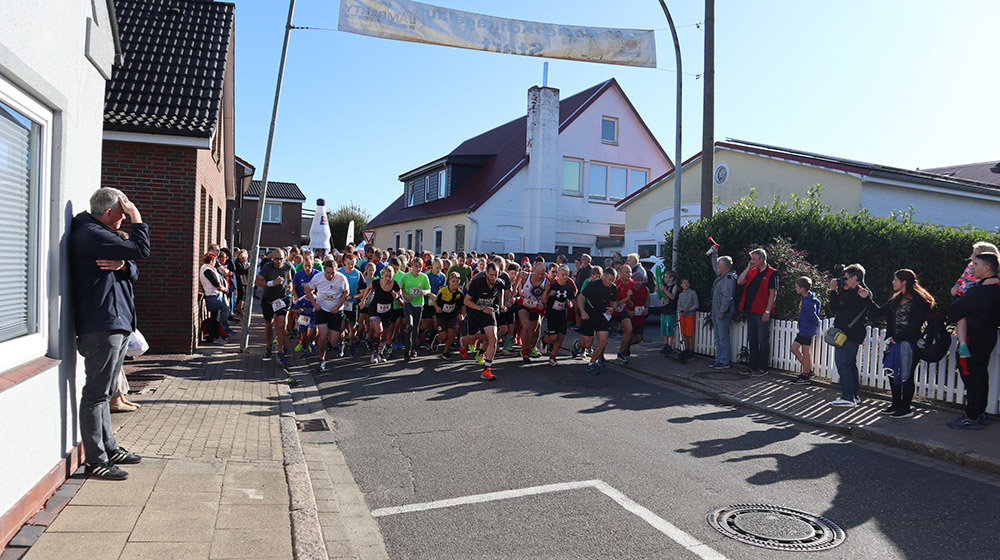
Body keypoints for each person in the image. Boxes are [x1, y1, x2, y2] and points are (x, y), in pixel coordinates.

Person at [70, 187, 150, 480]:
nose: (125, 217)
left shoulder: (103, 233)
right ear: (108, 212)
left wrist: (123, 264)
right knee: (95, 394)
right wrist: (137, 217)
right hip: (101, 326)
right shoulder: (92, 233)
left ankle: (110, 448)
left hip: (115, 323)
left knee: (104, 394)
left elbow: (135, 268)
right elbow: (142, 250)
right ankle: (96, 460)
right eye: (122, 212)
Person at [867, 269, 934, 417]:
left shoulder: (920, 301)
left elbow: (916, 324)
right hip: (895, 342)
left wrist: (898, 337)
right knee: (893, 373)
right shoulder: (896, 299)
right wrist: (866, 298)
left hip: (910, 344)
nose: (893, 282)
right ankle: (895, 404)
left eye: (895, 280)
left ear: (904, 282)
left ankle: (906, 408)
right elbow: (878, 311)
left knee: (907, 375)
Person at [947, 253, 1000, 429]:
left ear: (987, 268)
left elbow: (954, 311)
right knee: (980, 375)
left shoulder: (980, 290)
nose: (972, 268)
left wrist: (958, 297)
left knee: (971, 377)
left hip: (972, 338)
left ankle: (972, 416)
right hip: (988, 336)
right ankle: (980, 413)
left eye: (976, 264)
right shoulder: (995, 288)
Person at [828, 264, 876, 407]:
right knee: (850, 365)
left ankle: (848, 397)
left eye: (846, 277)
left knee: (843, 365)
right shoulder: (860, 291)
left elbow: (835, 305)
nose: (844, 280)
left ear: (855, 277)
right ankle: (854, 395)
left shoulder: (858, 293)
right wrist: (843, 289)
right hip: (853, 332)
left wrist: (833, 290)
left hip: (848, 334)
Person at [951, 242, 999, 359]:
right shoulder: (970, 266)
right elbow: (962, 278)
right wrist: (956, 286)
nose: (972, 257)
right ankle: (962, 343)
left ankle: (963, 344)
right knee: (960, 316)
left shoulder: (991, 281)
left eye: (975, 255)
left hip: (972, 302)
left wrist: (997, 281)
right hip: (963, 294)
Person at [461, 262, 508, 380]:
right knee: (471, 338)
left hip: (488, 312)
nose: (493, 278)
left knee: (493, 338)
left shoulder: (499, 282)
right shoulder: (477, 283)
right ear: (486, 273)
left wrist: (501, 304)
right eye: (491, 275)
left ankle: (487, 370)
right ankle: (463, 341)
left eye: (496, 275)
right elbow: (466, 301)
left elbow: (501, 291)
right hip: (475, 312)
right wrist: (481, 308)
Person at [737, 248, 778, 375]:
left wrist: (767, 311)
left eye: (754, 259)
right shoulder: (753, 271)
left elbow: (773, 294)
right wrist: (748, 268)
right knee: (752, 339)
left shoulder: (772, 273)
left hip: (761, 311)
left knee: (762, 339)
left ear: (762, 259)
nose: (752, 261)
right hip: (751, 310)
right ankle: (752, 366)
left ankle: (762, 368)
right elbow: (740, 281)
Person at [305, 258, 350, 372]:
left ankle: (335, 343)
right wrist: (314, 304)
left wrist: (337, 306)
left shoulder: (341, 278)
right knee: (322, 335)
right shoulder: (318, 277)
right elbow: (308, 289)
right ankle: (321, 360)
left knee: (333, 341)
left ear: (336, 270)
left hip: (336, 310)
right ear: (324, 270)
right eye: (328, 272)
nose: (330, 276)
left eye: (333, 273)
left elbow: (346, 292)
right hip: (322, 309)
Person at [572, 268, 617, 374]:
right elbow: (580, 298)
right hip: (589, 315)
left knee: (603, 341)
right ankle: (578, 345)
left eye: (613, 280)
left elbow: (614, 301)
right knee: (587, 343)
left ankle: (592, 363)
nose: (611, 282)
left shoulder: (613, 288)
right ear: (604, 277)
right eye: (609, 280)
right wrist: (583, 312)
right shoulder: (593, 285)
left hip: (603, 316)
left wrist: (612, 308)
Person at [256, 248, 294, 366]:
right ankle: (269, 345)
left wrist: (290, 284)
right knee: (269, 324)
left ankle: (280, 351)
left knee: (281, 324)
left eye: (281, 259)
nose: (278, 262)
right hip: (268, 299)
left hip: (281, 298)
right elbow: (257, 282)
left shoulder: (287, 265)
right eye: (276, 259)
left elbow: (289, 276)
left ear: (285, 258)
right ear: (272, 258)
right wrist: (272, 283)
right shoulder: (268, 267)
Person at [707, 248, 737, 369]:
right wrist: (714, 254)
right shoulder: (722, 276)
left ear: (724, 265)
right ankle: (719, 358)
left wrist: (721, 312)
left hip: (722, 312)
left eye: (719, 263)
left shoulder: (728, 279)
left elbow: (727, 297)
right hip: (716, 311)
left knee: (723, 338)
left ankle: (724, 361)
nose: (717, 265)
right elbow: (715, 267)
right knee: (718, 337)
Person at [541, 265, 577, 366]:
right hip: (552, 313)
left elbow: (571, 300)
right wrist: (549, 294)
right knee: (553, 337)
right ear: (558, 275)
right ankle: (543, 340)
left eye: (566, 275)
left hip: (562, 313)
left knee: (561, 336)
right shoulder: (552, 286)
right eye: (562, 274)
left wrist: (570, 304)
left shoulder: (569, 288)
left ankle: (553, 356)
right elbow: (544, 299)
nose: (565, 277)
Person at [790, 277, 821, 384]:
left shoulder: (808, 302)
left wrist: (817, 323)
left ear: (802, 289)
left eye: (797, 287)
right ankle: (808, 370)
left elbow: (813, 315)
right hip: (803, 328)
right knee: (794, 348)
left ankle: (806, 375)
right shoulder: (807, 298)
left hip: (807, 329)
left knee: (805, 352)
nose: (795, 289)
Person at [400, 256, 432, 361]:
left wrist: (425, 292)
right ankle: (407, 350)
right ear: (412, 266)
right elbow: (401, 288)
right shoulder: (405, 276)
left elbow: (428, 289)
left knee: (415, 328)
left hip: (419, 304)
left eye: (420, 267)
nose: (418, 269)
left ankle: (413, 346)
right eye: (416, 266)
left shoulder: (424, 277)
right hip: (408, 303)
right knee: (409, 325)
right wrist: (405, 295)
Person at [200, 252, 233, 341]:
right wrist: (224, 289)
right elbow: (215, 282)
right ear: (211, 260)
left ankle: (217, 336)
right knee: (216, 318)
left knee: (216, 316)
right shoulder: (207, 270)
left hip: (213, 295)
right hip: (213, 296)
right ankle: (216, 337)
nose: (215, 263)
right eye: (214, 260)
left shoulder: (207, 268)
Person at [338, 253, 365, 357]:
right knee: (341, 327)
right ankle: (341, 345)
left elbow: (363, 292)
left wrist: (353, 297)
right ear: (344, 262)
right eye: (348, 263)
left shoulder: (358, 274)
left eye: (352, 264)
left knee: (352, 328)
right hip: (340, 303)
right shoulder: (338, 272)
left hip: (352, 304)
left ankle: (351, 344)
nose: (350, 266)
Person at [434, 272, 464, 359]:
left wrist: (462, 314)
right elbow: (435, 301)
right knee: (444, 336)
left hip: (452, 315)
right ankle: (437, 339)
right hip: (442, 314)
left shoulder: (460, 293)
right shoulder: (443, 291)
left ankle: (446, 352)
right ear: (449, 281)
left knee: (451, 334)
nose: (455, 283)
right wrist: (437, 308)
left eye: (457, 281)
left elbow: (463, 306)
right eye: (453, 281)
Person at [677, 278, 698, 361]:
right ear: (681, 285)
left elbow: (696, 305)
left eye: (687, 283)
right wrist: (682, 310)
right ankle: (686, 349)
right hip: (683, 315)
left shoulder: (692, 293)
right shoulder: (680, 295)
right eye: (684, 283)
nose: (686, 284)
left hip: (690, 315)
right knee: (684, 334)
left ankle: (691, 351)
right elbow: (678, 305)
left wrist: (689, 310)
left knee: (689, 334)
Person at [659, 269, 680, 356]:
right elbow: (661, 297)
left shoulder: (674, 287)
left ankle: (670, 345)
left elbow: (672, 297)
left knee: (670, 329)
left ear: (671, 278)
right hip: (664, 310)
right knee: (664, 329)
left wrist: (665, 290)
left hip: (671, 311)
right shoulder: (665, 286)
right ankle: (666, 344)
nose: (665, 278)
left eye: (666, 277)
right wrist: (659, 291)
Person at [233, 249, 250, 318]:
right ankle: (238, 309)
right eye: (244, 259)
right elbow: (242, 271)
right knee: (241, 296)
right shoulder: (238, 263)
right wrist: (249, 269)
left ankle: (239, 308)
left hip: (243, 281)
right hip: (240, 281)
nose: (245, 260)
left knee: (243, 296)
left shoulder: (240, 263)